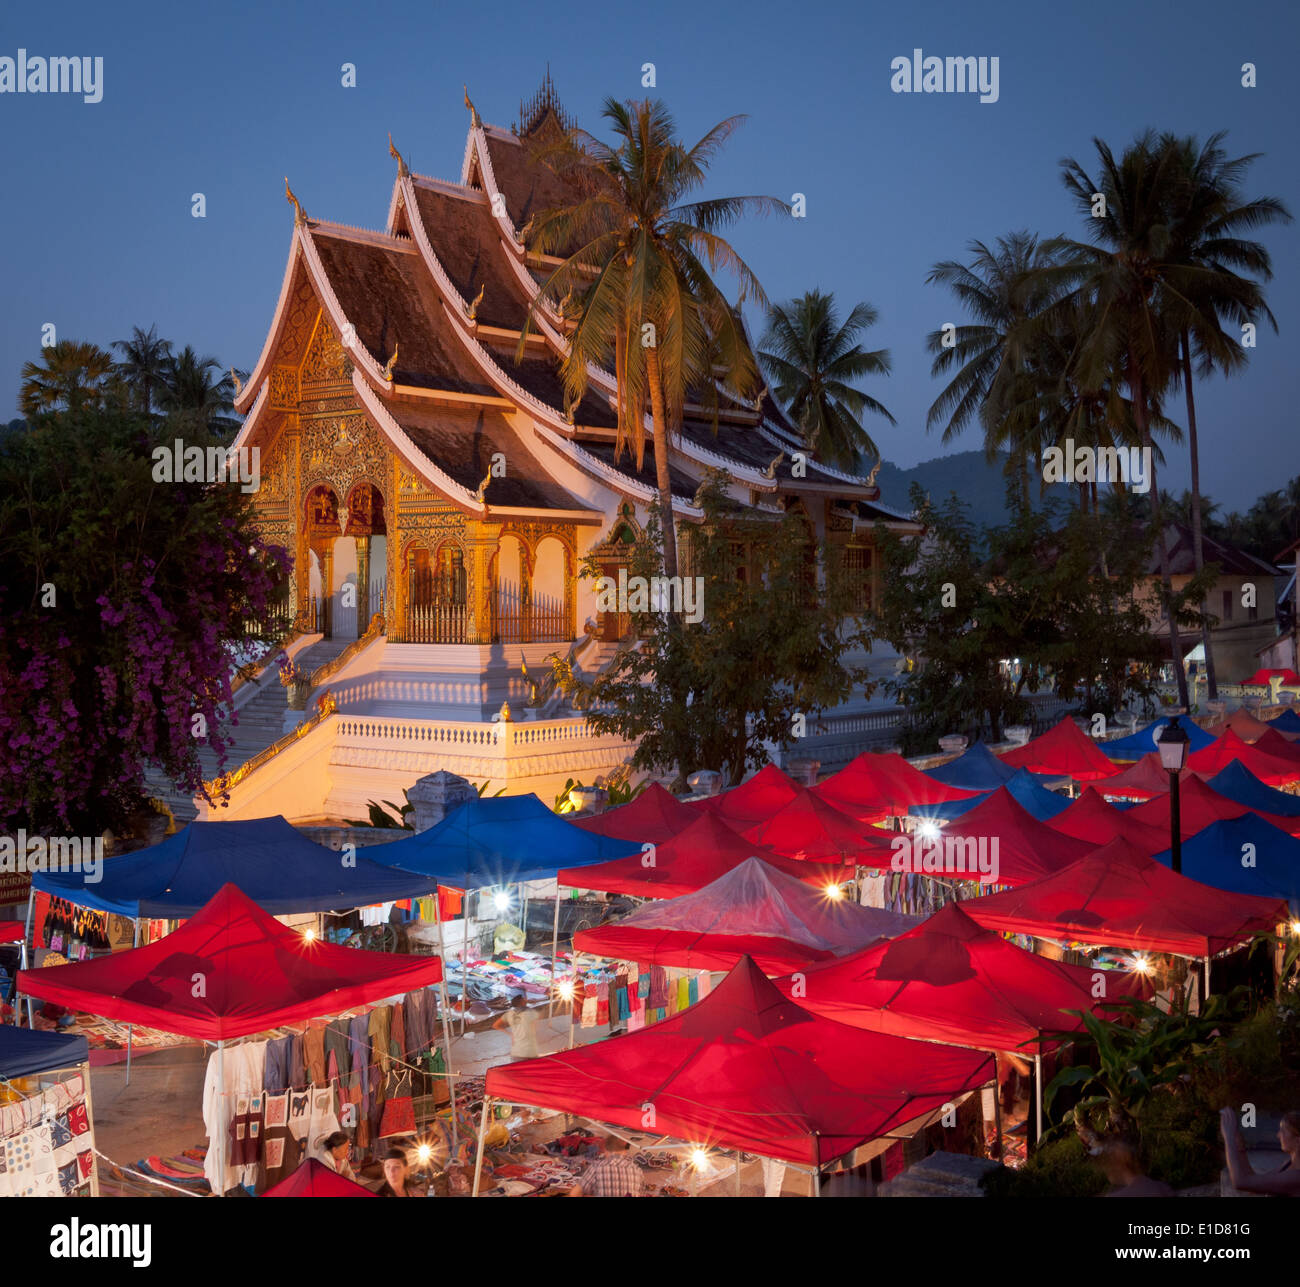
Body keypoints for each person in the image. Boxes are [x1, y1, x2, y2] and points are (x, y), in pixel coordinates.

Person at [1220, 1107, 1300, 1196]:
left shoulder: (1296, 1177)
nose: (1278, 1135)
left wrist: (1228, 1137)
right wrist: (1240, 1149)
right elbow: (1253, 1185)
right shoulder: (1288, 1164)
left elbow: (1240, 1182)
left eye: (1283, 1131)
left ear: (1298, 1141)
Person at [567, 1133, 645, 1197]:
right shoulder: (637, 1170)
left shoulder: (597, 1167)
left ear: (606, 1150)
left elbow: (574, 1194)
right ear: (625, 1151)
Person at [493, 994, 540, 1062]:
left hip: (516, 1052)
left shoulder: (509, 1014)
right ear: (522, 1002)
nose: (525, 999)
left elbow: (495, 1025)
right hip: (530, 1051)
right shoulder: (531, 1013)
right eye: (523, 999)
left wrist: (510, 1034)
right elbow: (535, 1028)